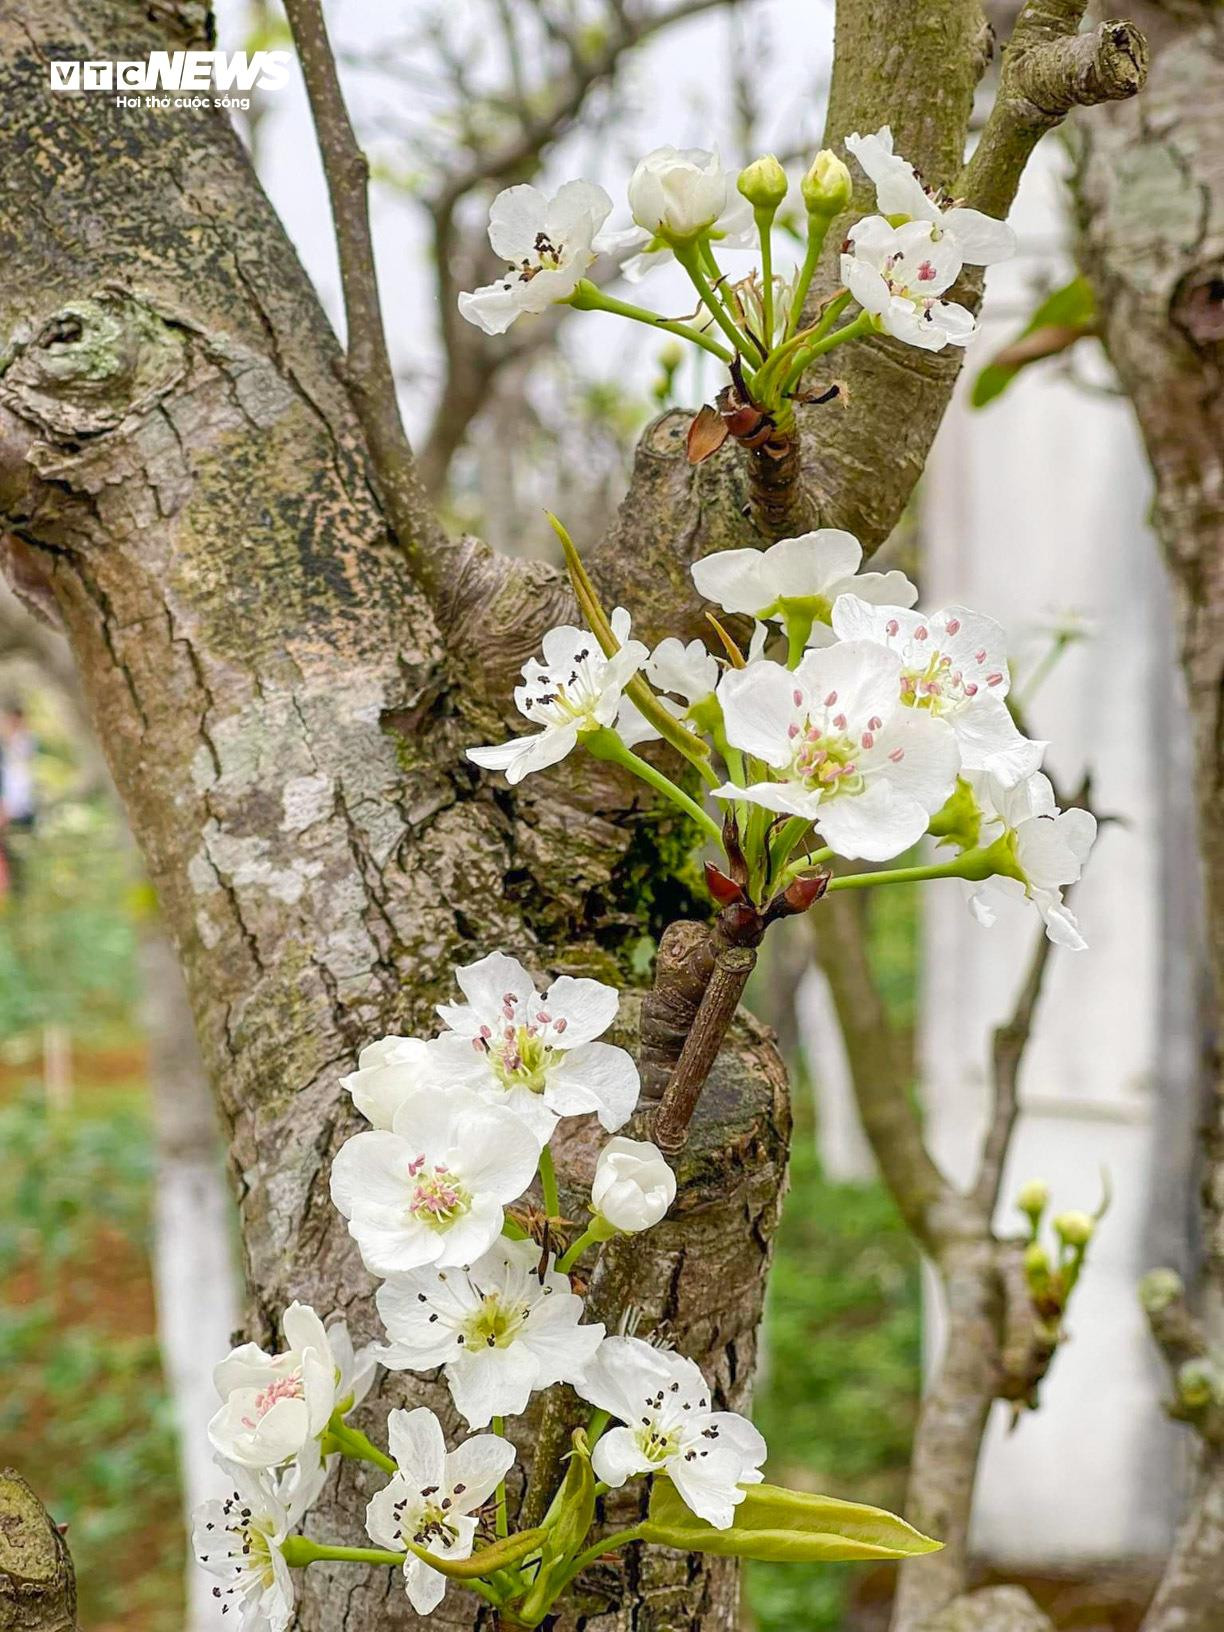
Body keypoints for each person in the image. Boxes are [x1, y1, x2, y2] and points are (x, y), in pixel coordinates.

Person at [0, 701, 36, 895]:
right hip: (9, 798)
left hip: (21, 799)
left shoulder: (26, 741)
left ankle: (18, 887)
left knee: (20, 842)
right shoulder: (6, 743)